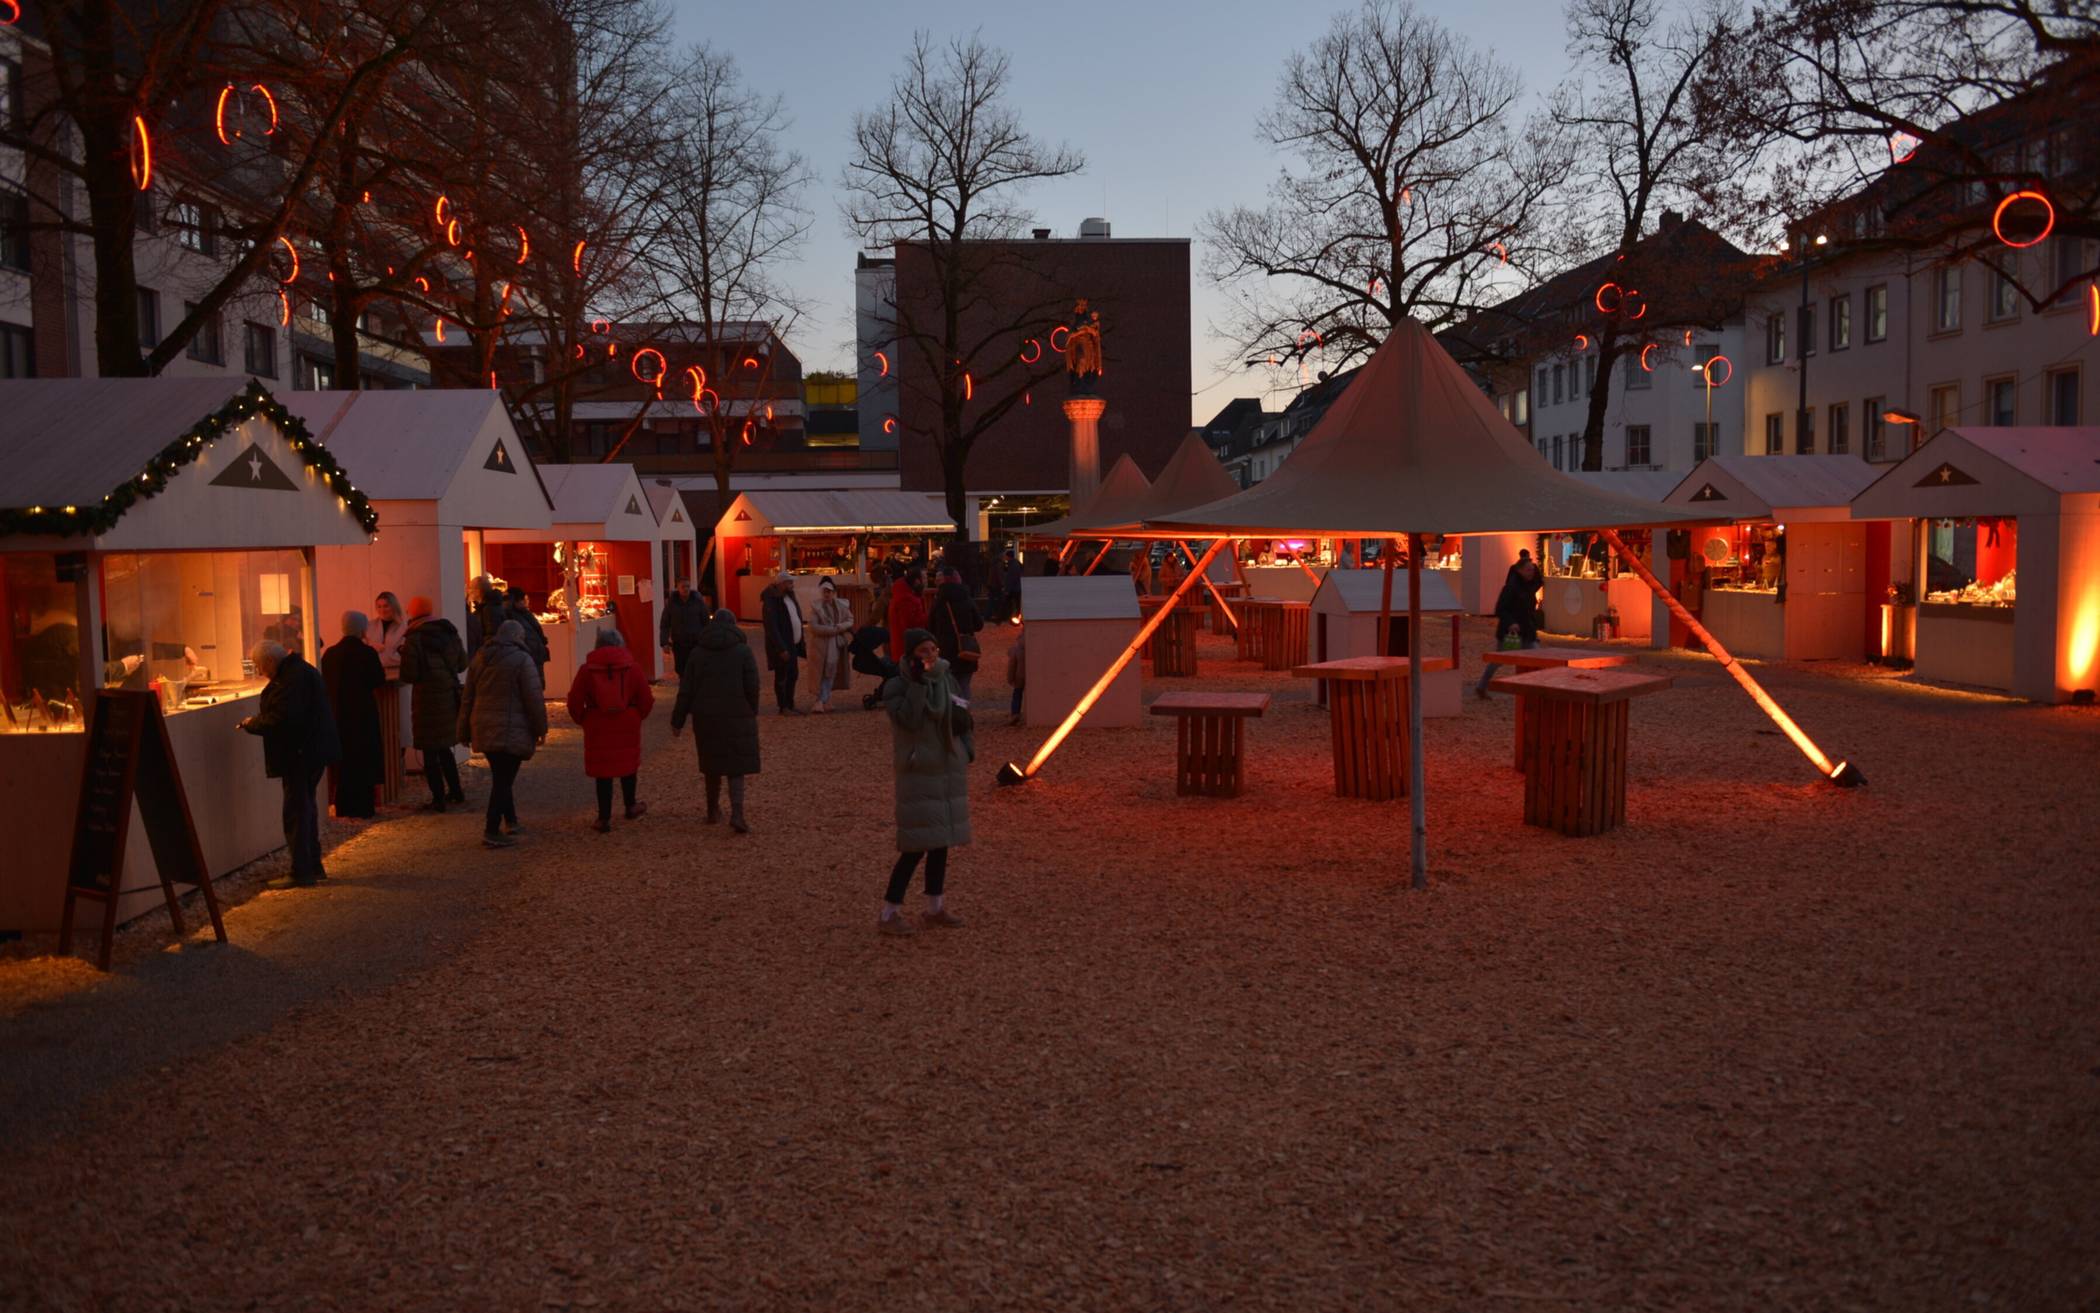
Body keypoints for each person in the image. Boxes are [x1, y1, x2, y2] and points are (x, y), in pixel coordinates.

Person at [877, 628, 972, 937]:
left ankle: (935, 906)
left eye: (933, 649)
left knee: (941, 842)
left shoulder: (947, 678)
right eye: (923, 651)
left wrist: (966, 750)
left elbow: (962, 715)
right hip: (919, 769)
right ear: (910, 655)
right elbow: (908, 720)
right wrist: (918, 683)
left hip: (946, 767)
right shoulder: (897, 685)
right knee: (915, 845)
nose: (931, 655)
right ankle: (889, 912)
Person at [239, 640, 341, 888]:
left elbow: (281, 719)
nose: (260, 672)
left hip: (299, 754)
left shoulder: (290, 680)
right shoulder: (301, 671)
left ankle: (302, 871)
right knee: (306, 808)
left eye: (260, 666)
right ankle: (312, 866)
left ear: (271, 662)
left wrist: (251, 724)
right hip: (312, 750)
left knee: (296, 812)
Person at [458, 619, 546, 847]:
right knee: (504, 780)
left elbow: (468, 697)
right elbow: (533, 699)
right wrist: (540, 728)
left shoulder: (480, 658)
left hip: (483, 725)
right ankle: (491, 829)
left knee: (501, 775)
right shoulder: (522, 660)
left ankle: (511, 821)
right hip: (511, 727)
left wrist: (464, 728)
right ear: (518, 637)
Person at [671, 608, 759, 833]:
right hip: (736, 713)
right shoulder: (742, 651)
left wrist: (677, 720)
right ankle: (737, 813)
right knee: (735, 765)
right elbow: (752, 685)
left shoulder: (698, 653)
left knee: (712, 763)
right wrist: (751, 709)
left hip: (706, 715)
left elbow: (687, 689)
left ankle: (712, 810)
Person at [566, 626, 654, 833]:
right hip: (627, 721)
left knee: (602, 771)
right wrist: (636, 715)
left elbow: (574, 701)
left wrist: (584, 719)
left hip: (597, 721)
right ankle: (630, 805)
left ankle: (603, 817)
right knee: (628, 764)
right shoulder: (632, 668)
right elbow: (646, 699)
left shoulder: (587, 670)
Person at [397, 595, 468, 810]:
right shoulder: (449, 631)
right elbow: (462, 664)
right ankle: (456, 792)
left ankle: (438, 798)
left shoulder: (414, 637)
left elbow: (409, 674)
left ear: (413, 612)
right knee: (445, 747)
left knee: (429, 751)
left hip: (426, 698)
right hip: (447, 694)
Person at [320, 611, 386, 820]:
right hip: (362, 713)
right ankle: (364, 806)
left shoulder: (330, 654)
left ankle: (343, 806)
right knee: (363, 759)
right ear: (362, 629)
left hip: (337, 714)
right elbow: (378, 679)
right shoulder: (367, 653)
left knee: (343, 762)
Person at [1476, 551, 1544, 697]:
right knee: (1499, 660)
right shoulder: (1511, 587)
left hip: (1527, 630)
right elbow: (1500, 609)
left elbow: (1539, 579)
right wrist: (1511, 622)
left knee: (1536, 657)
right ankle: (1482, 685)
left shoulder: (1530, 586)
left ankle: (1533, 690)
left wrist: (1530, 563)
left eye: (1532, 569)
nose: (1531, 572)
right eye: (1528, 569)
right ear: (1519, 571)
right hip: (1511, 632)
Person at [928, 563, 982, 697]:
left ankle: (951, 714)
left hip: (945, 650)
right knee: (964, 685)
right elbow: (979, 624)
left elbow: (930, 627)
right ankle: (963, 714)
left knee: (948, 687)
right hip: (965, 647)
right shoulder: (966, 598)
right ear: (956, 578)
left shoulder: (938, 601)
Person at [806, 576, 855, 713]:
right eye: (825, 591)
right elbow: (813, 626)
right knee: (821, 672)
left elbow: (850, 619)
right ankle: (821, 700)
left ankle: (824, 699)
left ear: (833, 592)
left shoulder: (841, 605)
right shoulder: (816, 607)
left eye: (829, 591)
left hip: (835, 644)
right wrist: (831, 630)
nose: (827, 594)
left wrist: (839, 627)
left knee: (831, 671)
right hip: (820, 646)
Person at [760, 573, 805, 714]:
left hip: (793, 644)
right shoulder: (772, 601)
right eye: (789, 583)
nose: (792, 585)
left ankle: (790, 704)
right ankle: (783, 706)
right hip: (783, 646)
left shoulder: (789, 597)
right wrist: (781, 648)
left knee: (793, 674)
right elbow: (771, 627)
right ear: (781, 584)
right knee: (782, 676)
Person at [658, 577, 710, 685]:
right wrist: (664, 642)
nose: (686, 589)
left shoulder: (697, 601)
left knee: (696, 666)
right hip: (679, 642)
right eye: (683, 586)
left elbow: (705, 621)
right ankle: (684, 687)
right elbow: (665, 624)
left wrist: (707, 638)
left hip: (696, 641)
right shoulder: (672, 603)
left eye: (688, 586)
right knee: (681, 668)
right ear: (678, 588)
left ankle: (696, 688)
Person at [506, 586, 550, 693]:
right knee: (535, 684)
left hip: (531, 652)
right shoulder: (523, 614)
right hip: (534, 652)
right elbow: (537, 631)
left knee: (532, 685)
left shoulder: (514, 615)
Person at [886, 564, 928, 666]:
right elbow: (910, 623)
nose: (926, 580)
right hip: (907, 650)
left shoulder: (905, 595)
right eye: (924, 578)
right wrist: (929, 617)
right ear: (917, 580)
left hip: (905, 648)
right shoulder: (906, 599)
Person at [369, 591, 406, 681]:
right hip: (376, 676)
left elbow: (406, 653)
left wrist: (388, 656)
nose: (382, 610)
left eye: (386, 606)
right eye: (379, 606)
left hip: (398, 676)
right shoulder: (370, 626)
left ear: (394, 606)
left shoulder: (404, 626)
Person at [465, 578, 507, 651]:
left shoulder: (489, 609)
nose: (469, 591)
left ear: (478, 591)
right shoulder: (488, 606)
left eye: (471, 588)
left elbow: (491, 635)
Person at [1005, 620, 1026, 726]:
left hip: (1019, 676)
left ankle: (1015, 713)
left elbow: (1012, 664)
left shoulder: (1017, 647)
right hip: (1035, 676)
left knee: (1017, 694)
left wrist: (1010, 678)